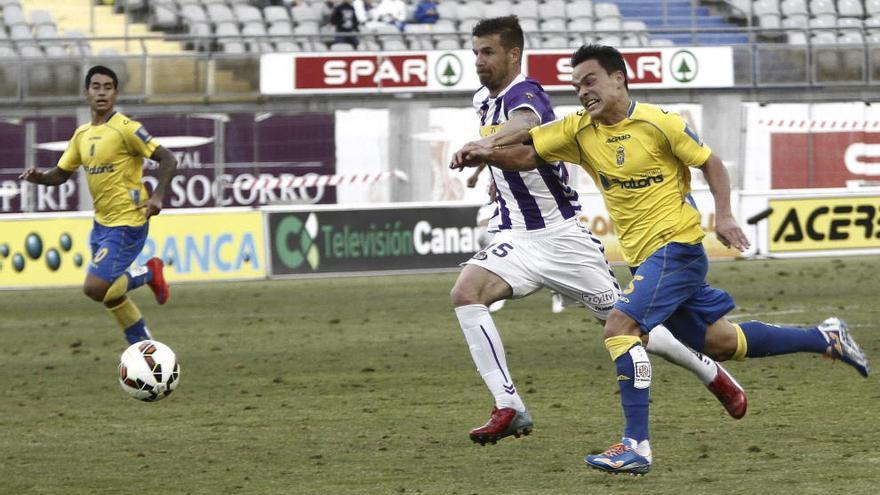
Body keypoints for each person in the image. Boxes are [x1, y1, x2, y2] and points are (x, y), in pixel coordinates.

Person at [450, 44, 870, 474]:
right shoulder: (579, 130)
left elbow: (713, 164)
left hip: (679, 249)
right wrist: (486, 154)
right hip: (644, 259)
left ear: (619, 78)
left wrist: (723, 215)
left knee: (620, 327)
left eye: (590, 81)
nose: (582, 92)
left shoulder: (660, 122)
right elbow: (527, 151)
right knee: (722, 343)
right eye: (576, 86)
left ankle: (636, 444)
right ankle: (826, 338)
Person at [450, 17, 747, 448]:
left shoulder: (525, 94)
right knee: (464, 294)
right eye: (475, 52)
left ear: (513, 54)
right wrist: (488, 167)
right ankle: (508, 404)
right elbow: (509, 152)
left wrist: (487, 148)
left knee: (626, 324)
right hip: (516, 238)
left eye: (488, 52)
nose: (479, 60)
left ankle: (711, 371)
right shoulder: (484, 99)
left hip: (562, 240)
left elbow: (526, 128)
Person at [19, 65, 178, 345]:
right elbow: (61, 174)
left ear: (115, 94)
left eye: (107, 87)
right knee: (110, 294)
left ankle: (150, 271)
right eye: (96, 86)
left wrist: (157, 196)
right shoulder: (81, 135)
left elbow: (168, 158)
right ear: (87, 93)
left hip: (129, 221)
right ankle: (142, 347)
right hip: (102, 224)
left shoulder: (127, 129)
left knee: (94, 287)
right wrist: (39, 178)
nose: (101, 92)